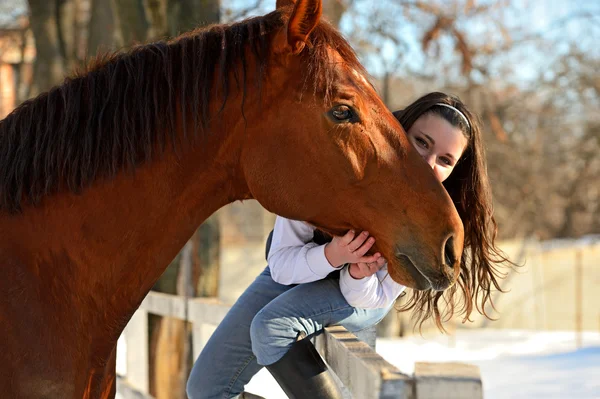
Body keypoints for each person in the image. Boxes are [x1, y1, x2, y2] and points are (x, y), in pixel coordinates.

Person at [186, 92, 508, 399]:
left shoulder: (427, 220)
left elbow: (374, 296)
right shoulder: (329, 163)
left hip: (361, 293)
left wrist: (357, 274)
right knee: (204, 390)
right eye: (421, 142)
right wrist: (332, 254)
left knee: (271, 327)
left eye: (445, 160)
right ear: (398, 131)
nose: (428, 163)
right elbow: (281, 265)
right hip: (297, 268)